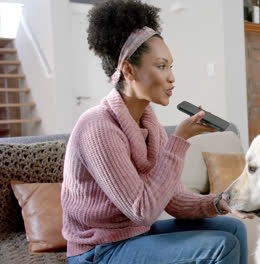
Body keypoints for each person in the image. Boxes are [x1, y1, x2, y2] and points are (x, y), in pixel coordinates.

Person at [61, 1, 249, 263]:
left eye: (171, 66)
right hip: (98, 250)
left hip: (135, 236)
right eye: (161, 66)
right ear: (128, 70)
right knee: (221, 245)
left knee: (233, 229)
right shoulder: (97, 128)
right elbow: (143, 211)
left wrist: (219, 202)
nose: (171, 77)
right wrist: (180, 140)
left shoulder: (151, 126)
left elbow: (175, 200)